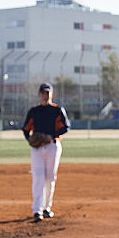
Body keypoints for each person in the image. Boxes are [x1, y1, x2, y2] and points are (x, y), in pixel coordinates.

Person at [22, 82, 70, 222]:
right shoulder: (34, 111)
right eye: (42, 93)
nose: (45, 96)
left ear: (51, 94)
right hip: (37, 148)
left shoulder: (57, 110)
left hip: (52, 146)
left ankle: (46, 208)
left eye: (47, 93)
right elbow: (25, 129)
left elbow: (66, 127)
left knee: (50, 178)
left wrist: (52, 136)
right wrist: (30, 139)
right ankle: (37, 210)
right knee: (38, 178)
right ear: (39, 95)